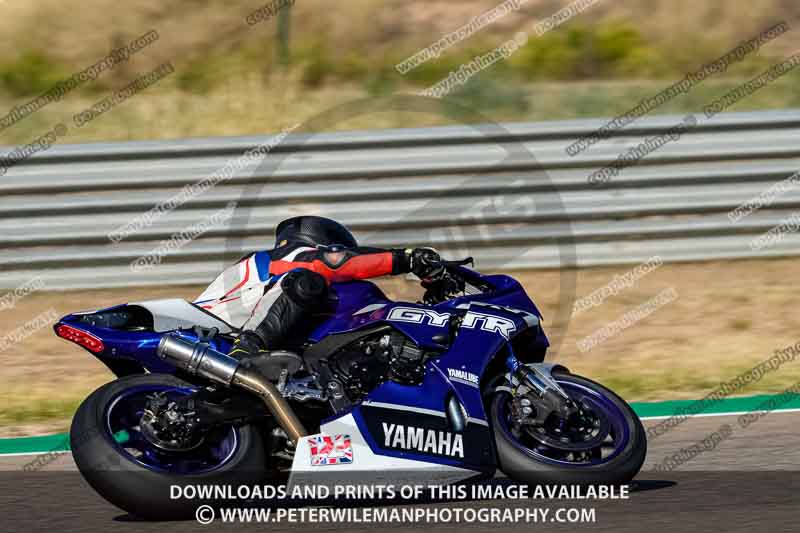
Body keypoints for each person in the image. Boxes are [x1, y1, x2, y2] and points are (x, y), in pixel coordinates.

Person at [194, 215, 442, 362]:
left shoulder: (262, 278)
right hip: (212, 333)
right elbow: (333, 263)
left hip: (215, 334)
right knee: (305, 281)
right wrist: (406, 259)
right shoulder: (288, 256)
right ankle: (248, 347)